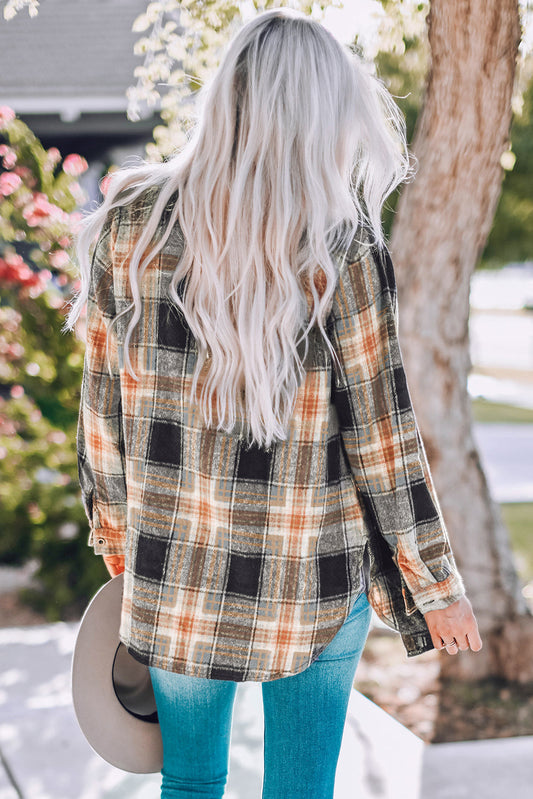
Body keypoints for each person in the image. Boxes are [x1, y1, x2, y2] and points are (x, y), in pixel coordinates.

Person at [64, 6, 482, 798]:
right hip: (311, 574)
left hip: (176, 570)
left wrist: (119, 539)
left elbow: (103, 408)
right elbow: (382, 438)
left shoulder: (130, 224)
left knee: (190, 782)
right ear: (326, 111)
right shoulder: (343, 246)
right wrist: (435, 586)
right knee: (300, 790)